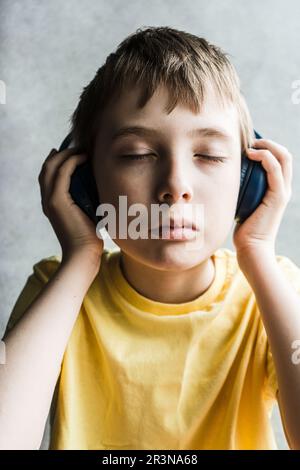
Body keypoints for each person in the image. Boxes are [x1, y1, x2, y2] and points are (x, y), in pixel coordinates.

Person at [1, 26, 300, 450]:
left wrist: (258, 256)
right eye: (138, 155)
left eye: (209, 155)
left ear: (249, 180)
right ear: (85, 182)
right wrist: (81, 258)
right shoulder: (58, 286)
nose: (175, 185)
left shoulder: (272, 290)